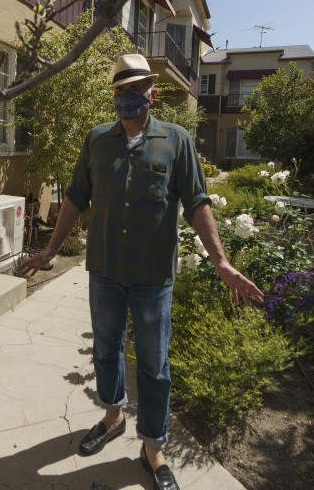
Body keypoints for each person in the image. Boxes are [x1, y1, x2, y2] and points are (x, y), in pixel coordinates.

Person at [19, 53, 264, 490]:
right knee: (106, 349)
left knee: (154, 364)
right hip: (106, 272)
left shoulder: (176, 141)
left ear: (151, 92)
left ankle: (153, 447)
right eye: (121, 90)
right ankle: (112, 417)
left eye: (136, 89)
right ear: (114, 95)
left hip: (153, 278)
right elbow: (76, 196)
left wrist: (222, 262)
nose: (128, 97)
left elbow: (196, 203)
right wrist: (51, 248)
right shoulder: (97, 141)